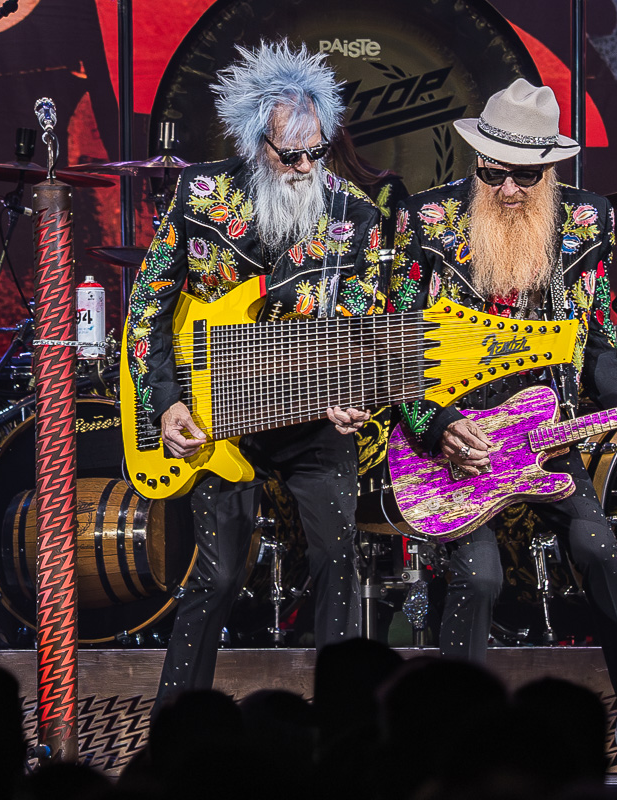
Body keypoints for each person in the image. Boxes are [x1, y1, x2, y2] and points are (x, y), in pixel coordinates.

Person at [387, 78, 617, 763]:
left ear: (551, 168)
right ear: (475, 162)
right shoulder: (425, 222)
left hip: (546, 432)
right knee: (479, 576)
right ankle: (455, 740)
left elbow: (601, 343)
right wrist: (436, 426)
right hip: (454, 439)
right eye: (494, 172)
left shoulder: (585, 223)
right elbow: (394, 350)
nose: (510, 189)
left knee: (600, 550)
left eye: (526, 174)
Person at [125, 41, 383, 714]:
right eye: (287, 153)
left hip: (309, 416)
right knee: (215, 577)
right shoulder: (200, 195)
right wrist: (165, 402)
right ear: (253, 142)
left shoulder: (355, 217)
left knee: (338, 563)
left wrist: (354, 391)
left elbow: (364, 325)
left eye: (315, 152)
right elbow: (148, 305)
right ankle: (172, 734)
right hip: (214, 416)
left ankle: (344, 736)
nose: (303, 167)